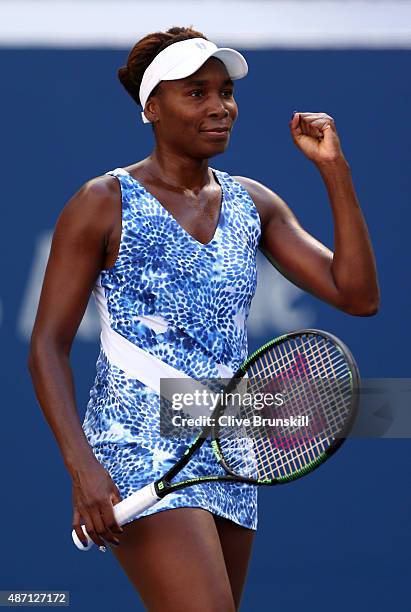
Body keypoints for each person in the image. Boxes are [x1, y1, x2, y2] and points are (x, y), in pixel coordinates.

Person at [28, 25, 379, 612]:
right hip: (133, 444)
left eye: (225, 93)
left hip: (230, 448)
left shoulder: (253, 203)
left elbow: (357, 293)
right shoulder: (102, 202)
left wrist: (334, 170)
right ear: (151, 108)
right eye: (196, 94)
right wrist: (82, 469)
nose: (220, 107)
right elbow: (46, 346)